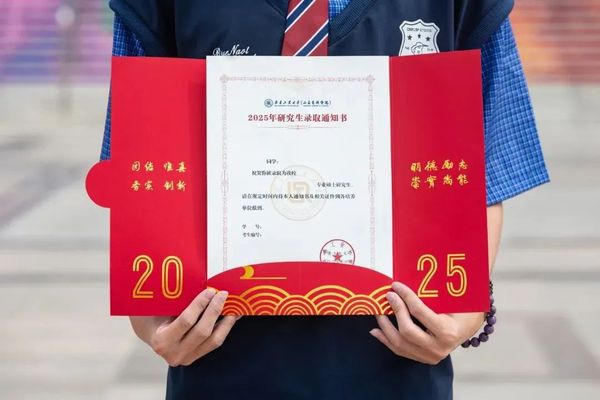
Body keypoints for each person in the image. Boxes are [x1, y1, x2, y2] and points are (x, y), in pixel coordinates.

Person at [100, 1, 550, 398]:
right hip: (219, 365)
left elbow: (490, 160)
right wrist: (149, 320)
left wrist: (465, 313)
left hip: (396, 364)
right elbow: (136, 158)